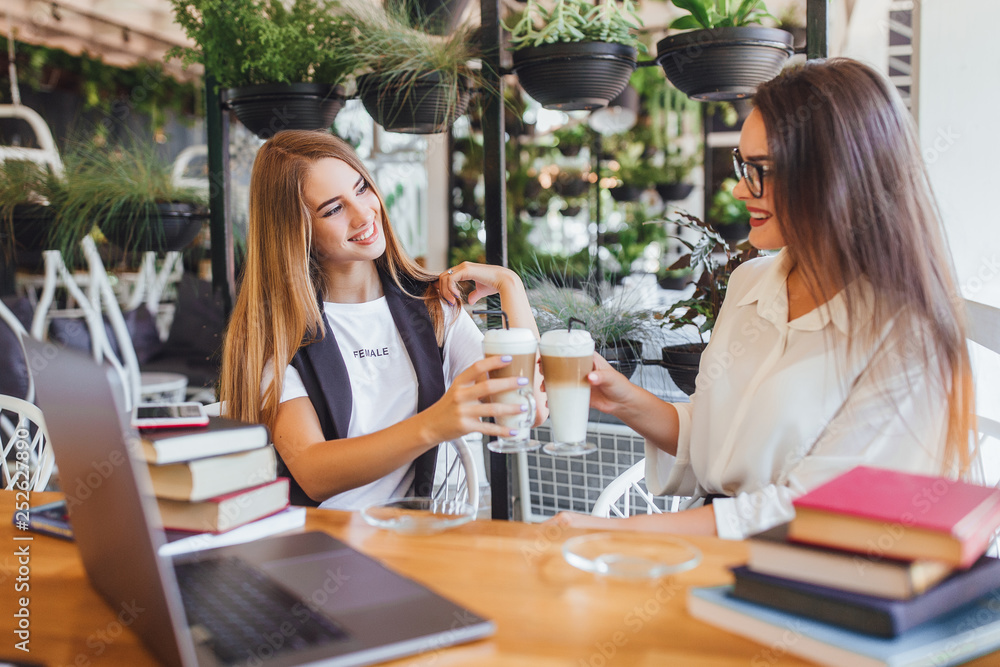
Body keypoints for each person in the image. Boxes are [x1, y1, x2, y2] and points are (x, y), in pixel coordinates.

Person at [553, 58, 975, 539]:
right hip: (717, 553)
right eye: (742, 166)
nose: (738, 189)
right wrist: (622, 399)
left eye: (761, 170)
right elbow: (721, 444)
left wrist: (617, 533)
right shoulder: (751, 283)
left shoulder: (905, 335)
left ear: (838, 177)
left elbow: (808, 512)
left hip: (798, 580)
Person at [219, 130, 545, 509]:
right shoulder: (277, 333)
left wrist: (511, 285)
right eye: (333, 209)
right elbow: (313, 472)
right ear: (296, 232)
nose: (363, 213)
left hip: (417, 538)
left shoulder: (434, 306)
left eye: (361, 188)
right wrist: (434, 423)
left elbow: (529, 409)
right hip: (323, 546)